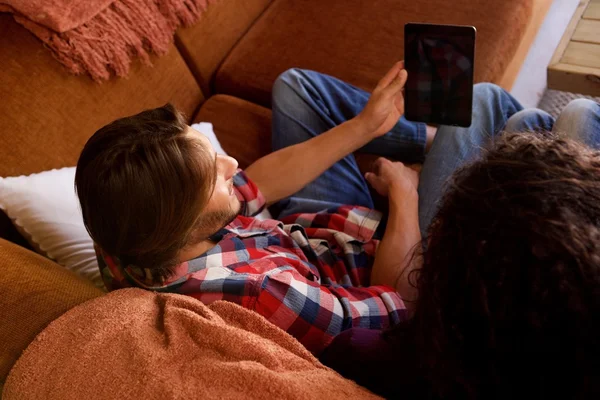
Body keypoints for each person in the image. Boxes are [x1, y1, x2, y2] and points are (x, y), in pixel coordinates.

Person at [75, 62, 436, 355]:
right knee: (487, 105)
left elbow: (257, 186)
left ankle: (425, 140)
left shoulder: (121, 236)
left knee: (295, 87)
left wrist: (365, 127)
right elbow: (401, 302)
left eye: (214, 156)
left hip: (310, 230)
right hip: (399, 254)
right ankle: (439, 146)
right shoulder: (263, 294)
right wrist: (405, 192)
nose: (232, 163)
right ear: (181, 222)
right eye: (215, 177)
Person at [320, 97, 600, 399]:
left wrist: (404, 194)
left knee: (509, 110)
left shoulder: (364, 352)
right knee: (567, 113)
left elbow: (399, 298)